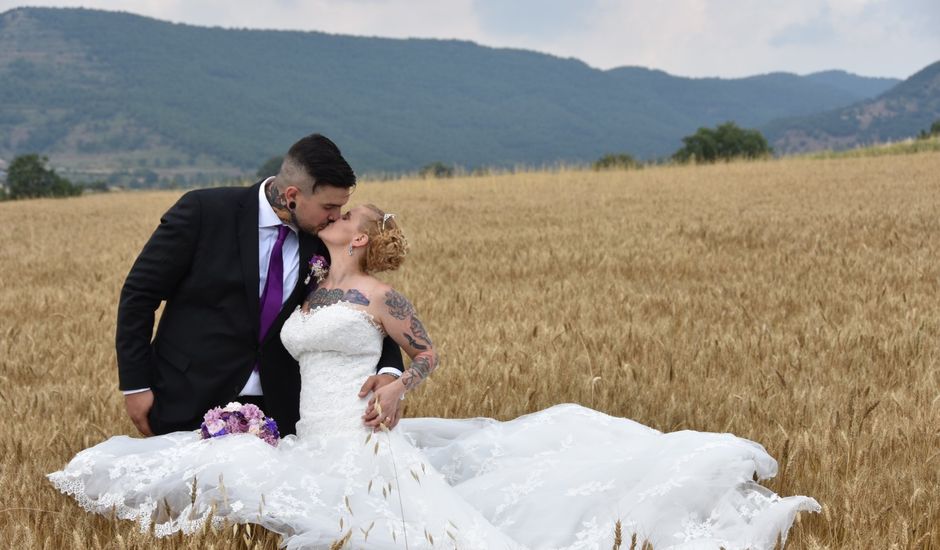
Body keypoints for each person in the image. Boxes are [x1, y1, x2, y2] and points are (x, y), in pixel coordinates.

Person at [50, 205, 820, 549]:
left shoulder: (382, 297)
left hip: (358, 436)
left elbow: (428, 356)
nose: (339, 214)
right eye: (338, 208)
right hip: (306, 430)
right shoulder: (306, 291)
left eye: (350, 213)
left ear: (361, 234)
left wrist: (397, 386)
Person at [115, 133, 404, 437]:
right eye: (329, 206)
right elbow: (139, 294)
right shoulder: (203, 211)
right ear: (292, 194)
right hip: (189, 397)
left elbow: (364, 304)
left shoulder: (326, 241)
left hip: (282, 409)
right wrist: (136, 386)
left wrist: (389, 371)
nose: (335, 218)